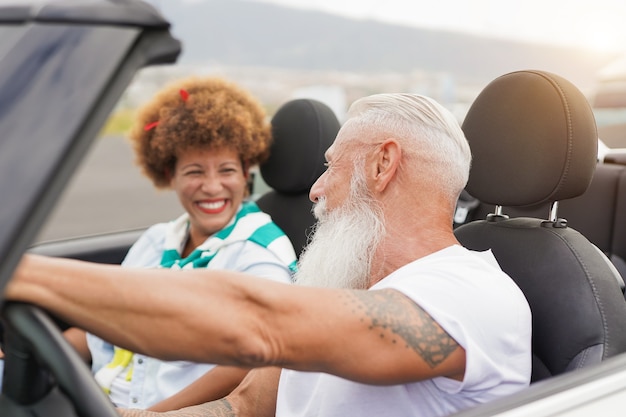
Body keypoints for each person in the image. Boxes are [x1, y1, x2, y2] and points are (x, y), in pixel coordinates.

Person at [6, 93, 532, 417]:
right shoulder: (345, 292)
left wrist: (19, 270)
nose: (315, 190)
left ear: (381, 165)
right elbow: (246, 403)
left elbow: (257, 324)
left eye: (331, 167)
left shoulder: (471, 294)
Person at [60, 76, 298, 411]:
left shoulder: (258, 254)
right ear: (170, 175)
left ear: (246, 173)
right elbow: (105, 325)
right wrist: (27, 351)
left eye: (227, 170)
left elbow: (256, 359)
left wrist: (154, 415)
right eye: (194, 172)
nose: (212, 187)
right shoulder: (158, 239)